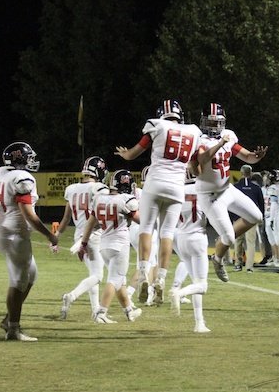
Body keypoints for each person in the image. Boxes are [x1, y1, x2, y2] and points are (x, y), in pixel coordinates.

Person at [115, 99, 202, 305]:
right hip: (177, 187)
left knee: (146, 228)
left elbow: (134, 153)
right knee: (167, 233)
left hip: (155, 183)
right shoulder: (193, 131)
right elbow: (196, 169)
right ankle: (161, 278)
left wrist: (125, 154)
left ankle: (144, 273)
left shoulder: (157, 125)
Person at [194, 103, 267, 282]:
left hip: (227, 189)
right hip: (210, 196)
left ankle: (222, 242)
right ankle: (218, 259)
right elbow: (202, 159)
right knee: (229, 238)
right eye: (210, 122)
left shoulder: (228, 136)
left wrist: (256, 157)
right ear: (203, 122)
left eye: (217, 122)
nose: (214, 127)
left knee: (256, 216)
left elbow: (247, 156)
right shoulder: (199, 139)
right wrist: (220, 143)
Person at [0, 142, 58, 342]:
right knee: (18, 281)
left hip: (4, 230)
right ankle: (13, 328)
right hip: (15, 234)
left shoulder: (1, 173)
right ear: (19, 159)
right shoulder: (22, 178)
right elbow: (29, 215)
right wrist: (49, 235)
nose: (32, 161)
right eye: (29, 157)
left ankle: (9, 319)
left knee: (31, 275)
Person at [78, 170, 142, 323]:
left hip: (104, 244)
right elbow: (141, 220)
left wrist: (83, 243)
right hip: (119, 244)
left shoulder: (100, 199)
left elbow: (90, 223)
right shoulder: (125, 199)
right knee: (115, 279)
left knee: (120, 281)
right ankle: (101, 312)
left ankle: (129, 311)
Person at [56, 156, 109, 319]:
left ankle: (95, 311)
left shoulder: (71, 188)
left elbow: (66, 218)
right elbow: (100, 215)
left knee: (93, 274)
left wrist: (56, 237)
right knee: (98, 276)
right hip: (93, 234)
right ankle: (71, 296)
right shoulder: (99, 188)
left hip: (78, 235)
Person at [170, 169, 211, 333]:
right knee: (202, 285)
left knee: (196, 282)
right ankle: (179, 293)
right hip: (197, 237)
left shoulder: (176, 189)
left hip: (181, 237)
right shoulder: (202, 189)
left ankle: (199, 323)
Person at [127, 165, 159, 306]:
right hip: (147, 230)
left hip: (133, 229)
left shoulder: (138, 191)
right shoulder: (157, 193)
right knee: (145, 265)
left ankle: (151, 294)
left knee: (153, 263)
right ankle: (128, 294)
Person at [233, 165, 265, 272]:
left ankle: (238, 264)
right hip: (251, 218)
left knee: (238, 241)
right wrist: (261, 217)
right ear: (251, 174)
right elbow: (261, 204)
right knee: (251, 242)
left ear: (241, 173)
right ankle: (249, 266)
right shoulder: (256, 187)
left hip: (238, 217)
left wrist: (232, 217)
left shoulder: (236, 187)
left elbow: (231, 203)